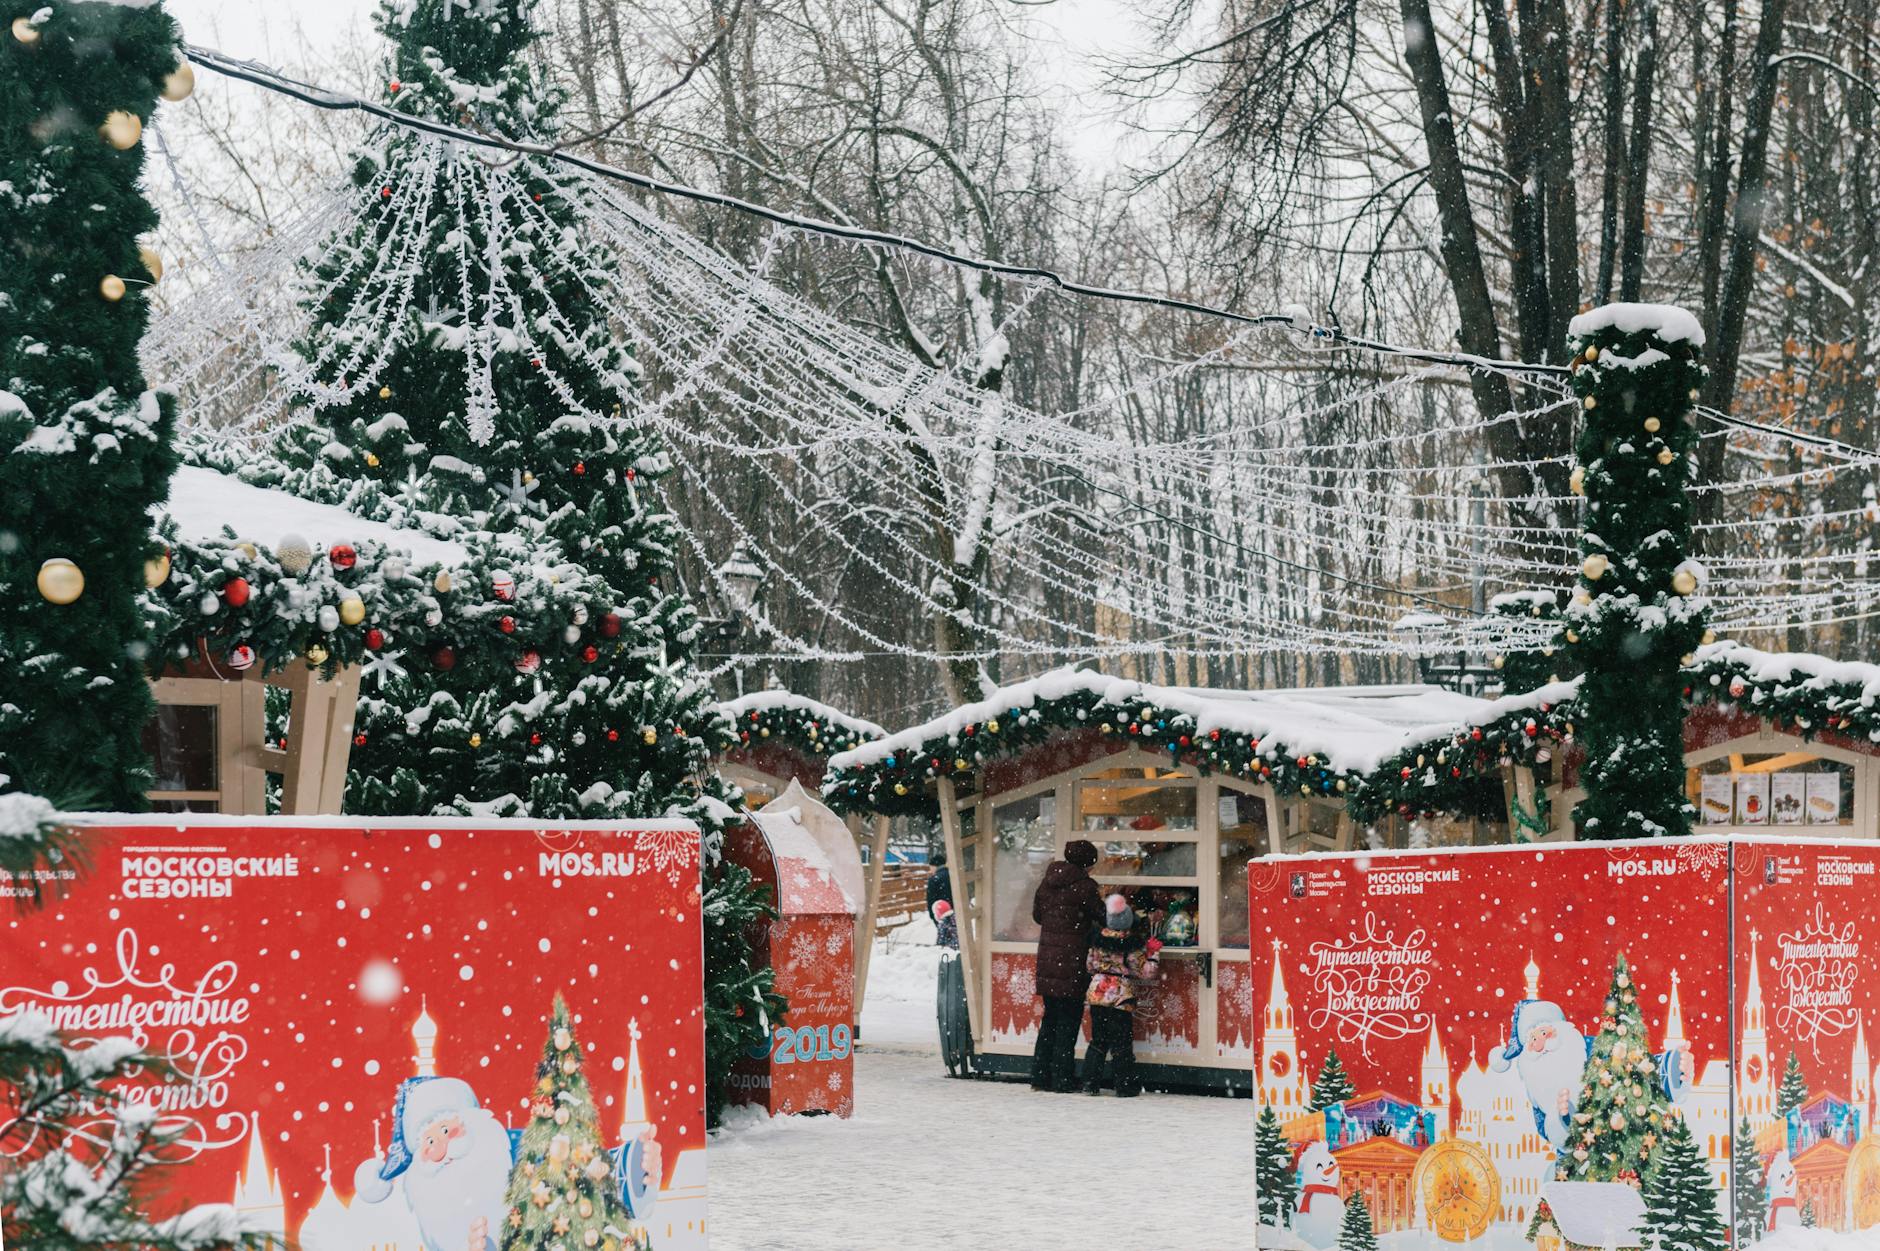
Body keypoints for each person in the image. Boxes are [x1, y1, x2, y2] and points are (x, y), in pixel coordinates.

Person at [1030, 838, 1103, 1092]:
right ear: (1088, 864)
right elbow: (1103, 916)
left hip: (1049, 961)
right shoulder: (1085, 887)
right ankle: (1062, 1078)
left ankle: (1040, 1076)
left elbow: (1038, 915)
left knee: (1050, 1020)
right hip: (1072, 962)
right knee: (1068, 1022)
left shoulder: (1048, 882)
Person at [1083, 893, 1161, 1097]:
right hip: (1121, 997)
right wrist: (1153, 956)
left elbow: (1089, 966)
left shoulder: (1096, 940)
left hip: (1098, 993)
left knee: (1098, 1040)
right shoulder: (1132, 945)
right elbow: (1144, 972)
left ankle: (1090, 1083)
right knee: (1121, 1043)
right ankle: (1124, 1085)